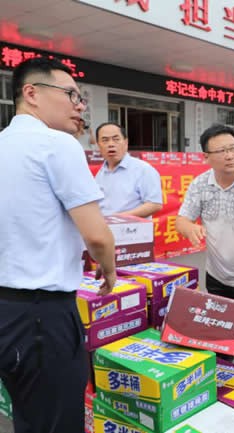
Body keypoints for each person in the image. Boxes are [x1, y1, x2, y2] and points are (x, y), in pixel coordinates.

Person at [0, 57, 116, 433]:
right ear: (31, 93)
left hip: (6, 309)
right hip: (42, 317)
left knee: (28, 412)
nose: (78, 105)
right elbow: (97, 234)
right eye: (70, 94)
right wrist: (109, 269)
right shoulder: (56, 145)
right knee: (56, 420)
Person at [175, 124, 234, 373]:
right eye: (221, 151)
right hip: (217, 274)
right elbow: (181, 220)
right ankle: (218, 384)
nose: (230, 155)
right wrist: (190, 229)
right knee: (217, 333)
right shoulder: (200, 185)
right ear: (206, 157)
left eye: (233, 148)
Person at [94, 122, 163, 218]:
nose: (111, 144)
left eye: (116, 139)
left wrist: (118, 218)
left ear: (126, 143)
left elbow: (154, 204)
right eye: (105, 140)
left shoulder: (143, 169)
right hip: (104, 229)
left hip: (131, 230)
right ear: (98, 145)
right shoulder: (100, 174)